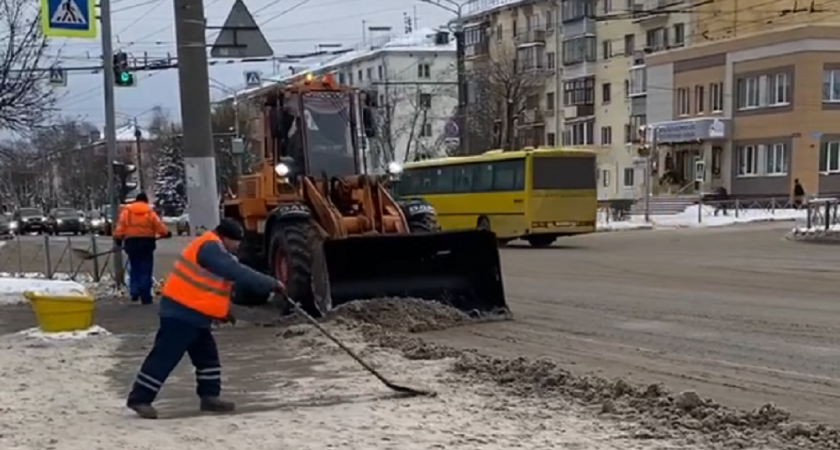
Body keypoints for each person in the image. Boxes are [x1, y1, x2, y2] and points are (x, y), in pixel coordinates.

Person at [126, 218, 284, 419]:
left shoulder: (215, 248)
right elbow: (235, 272)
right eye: (236, 241)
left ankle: (210, 397)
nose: (238, 246)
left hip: (196, 315)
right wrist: (271, 283)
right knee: (164, 357)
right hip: (181, 313)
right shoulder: (210, 247)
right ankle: (139, 399)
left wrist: (223, 312)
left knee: (208, 358)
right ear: (225, 237)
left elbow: (212, 287)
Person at [113, 193, 171, 305]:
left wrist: (118, 238)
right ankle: (145, 296)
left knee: (134, 268)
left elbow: (120, 227)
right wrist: (166, 233)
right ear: (145, 201)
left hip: (132, 244)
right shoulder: (150, 213)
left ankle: (134, 292)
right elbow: (159, 226)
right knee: (145, 269)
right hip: (147, 244)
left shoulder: (127, 213)